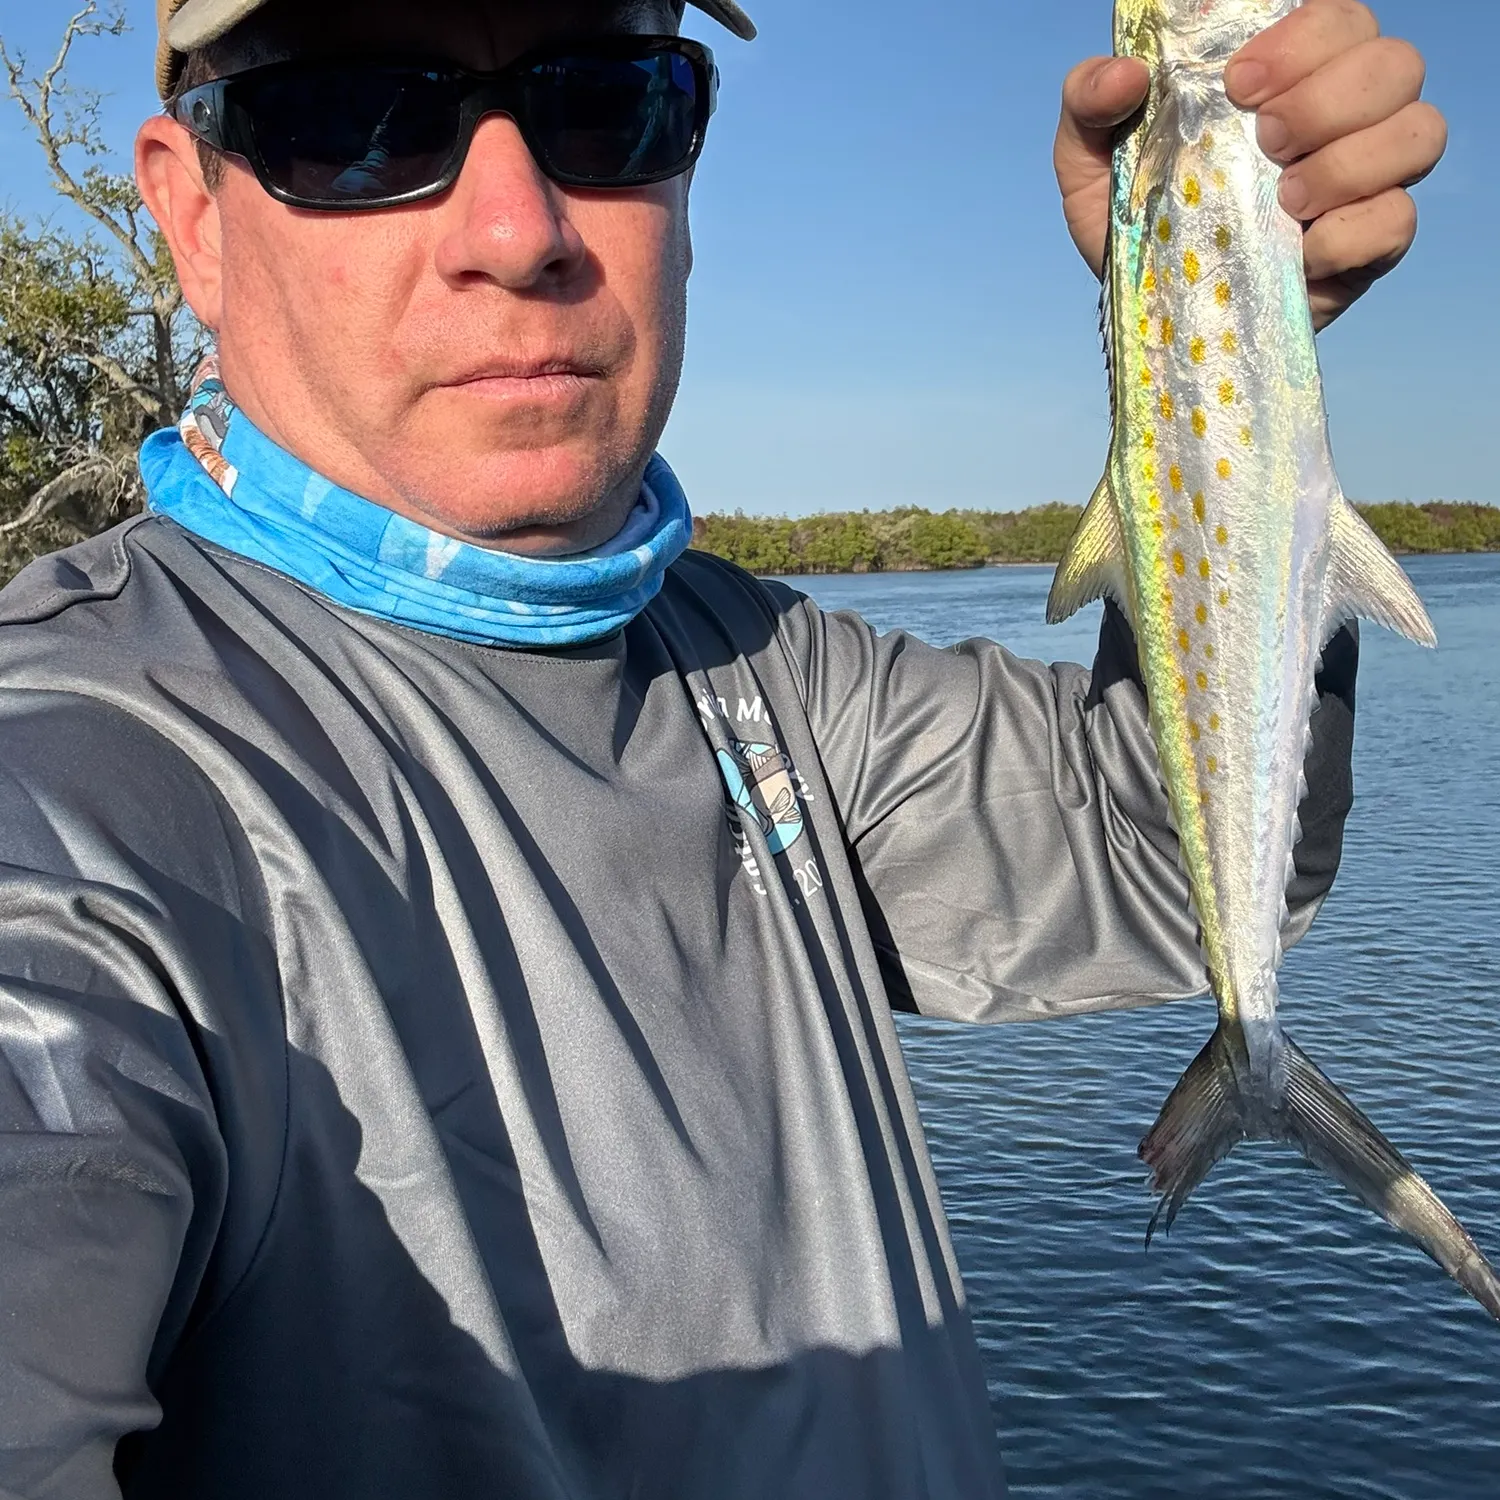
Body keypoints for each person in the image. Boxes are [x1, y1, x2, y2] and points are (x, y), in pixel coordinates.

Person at [0, 0, 1445, 1495]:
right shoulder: (72, 791)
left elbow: (1154, 855)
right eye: (355, 122)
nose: (519, 229)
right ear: (194, 217)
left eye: (605, 99)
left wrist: (1221, 345)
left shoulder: (759, 668)